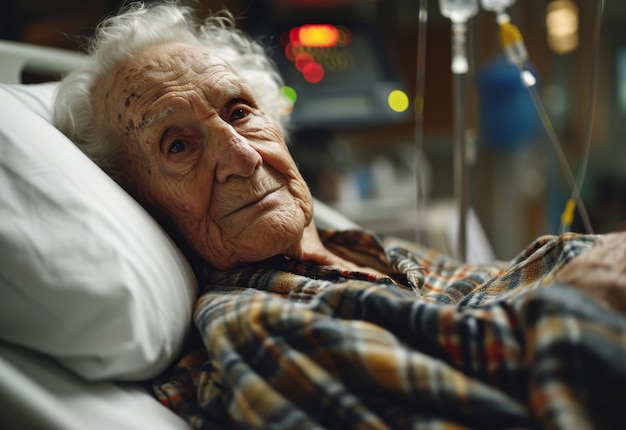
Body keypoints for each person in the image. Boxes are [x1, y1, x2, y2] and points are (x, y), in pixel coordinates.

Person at [53, 2, 626, 429]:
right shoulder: (254, 323)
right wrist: (582, 298)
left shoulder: (368, 251)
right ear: (142, 201)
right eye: (179, 146)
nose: (242, 155)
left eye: (240, 111)